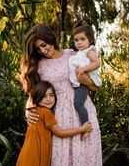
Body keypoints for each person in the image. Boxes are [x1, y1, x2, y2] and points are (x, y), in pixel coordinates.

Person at [21, 23, 102, 166]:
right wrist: (28, 111)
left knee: (85, 155)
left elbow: (95, 86)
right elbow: (33, 93)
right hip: (59, 117)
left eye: (44, 44)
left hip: (82, 110)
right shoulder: (40, 65)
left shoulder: (73, 55)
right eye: (39, 48)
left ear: (51, 38)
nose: (43, 50)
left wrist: (86, 81)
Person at [16, 81, 93, 166]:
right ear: (37, 98)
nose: (48, 99)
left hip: (27, 153)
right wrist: (82, 129)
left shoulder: (35, 112)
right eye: (44, 96)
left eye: (51, 95)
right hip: (36, 154)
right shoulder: (46, 113)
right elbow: (60, 133)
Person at [68, 22, 102, 141]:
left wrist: (84, 69)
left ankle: (86, 126)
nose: (79, 42)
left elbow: (97, 63)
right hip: (79, 82)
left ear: (90, 39)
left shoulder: (89, 51)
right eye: (76, 40)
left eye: (82, 39)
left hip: (84, 82)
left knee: (78, 103)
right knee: (77, 103)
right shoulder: (78, 53)